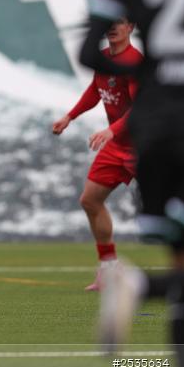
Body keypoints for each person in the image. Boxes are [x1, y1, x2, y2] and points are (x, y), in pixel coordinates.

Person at [79, 0, 184, 367]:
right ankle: (143, 285)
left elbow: (87, 50)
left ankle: (140, 285)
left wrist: (149, 70)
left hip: (160, 128)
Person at [53, 17, 141, 291]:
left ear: (131, 28)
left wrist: (111, 131)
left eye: (121, 23)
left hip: (145, 145)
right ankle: (109, 269)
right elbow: (96, 90)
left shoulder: (134, 62)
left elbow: (141, 109)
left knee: (174, 209)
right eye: (110, 23)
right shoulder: (104, 58)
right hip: (116, 147)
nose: (113, 28)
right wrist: (70, 116)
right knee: (90, 200)